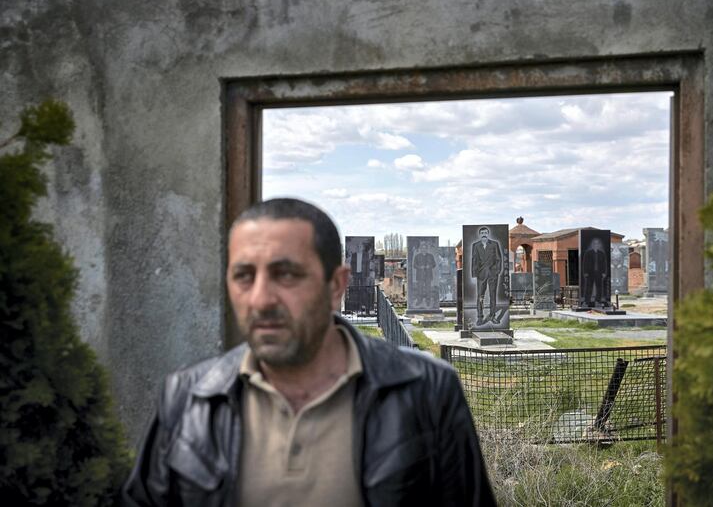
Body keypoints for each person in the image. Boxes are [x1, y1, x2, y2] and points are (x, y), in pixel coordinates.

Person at [122, 198, 495, 506]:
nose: (261, 300)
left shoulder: (426, 391)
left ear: (336, 286)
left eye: (286, 275)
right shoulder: (188, 398)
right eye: (244, 276)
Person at [470, 226, 503, 325]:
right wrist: (474, 274)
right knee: (480, 296)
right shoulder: (476, 245)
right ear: (479, 235)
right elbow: (474, 260)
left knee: (493, 296)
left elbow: (498, 259)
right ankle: (480, 317)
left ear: (488, 234)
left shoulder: (494, 244)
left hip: (493, 274)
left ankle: (493, 316)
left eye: (485, 232)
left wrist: (496, 271)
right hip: (481, 274)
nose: (484, 234)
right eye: (482, 233)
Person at [581, 237, 608, 307]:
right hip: (590, 273)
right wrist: (585, 272)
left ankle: (598, 301)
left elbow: (604, 264)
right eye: (594, 243)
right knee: (589, 287)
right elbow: (585, 263)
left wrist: (604, 272)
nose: (596, 244)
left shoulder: (601, 253)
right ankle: (587, 301)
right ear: (592, 244)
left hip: (599, 273)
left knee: (599, 287)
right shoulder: (588, 253)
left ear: (599, 245)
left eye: (597, 243)